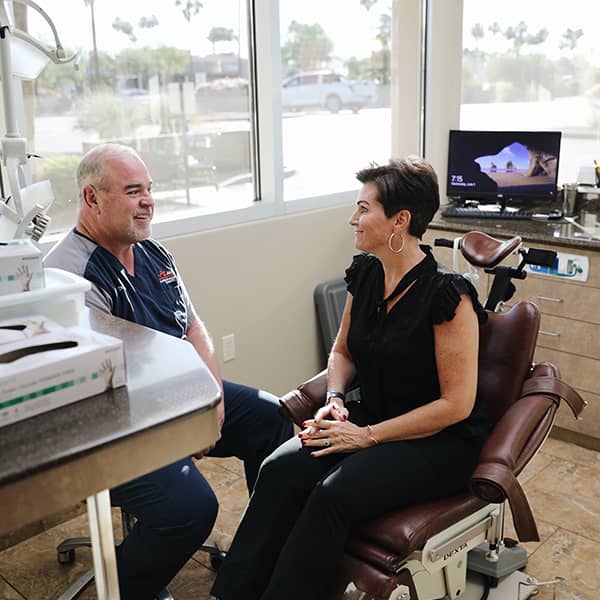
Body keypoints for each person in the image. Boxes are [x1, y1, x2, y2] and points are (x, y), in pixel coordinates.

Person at [210, 157, 491, 600]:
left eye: (363, 209)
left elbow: (455, 405)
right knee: (279, 469)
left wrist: (367, 436)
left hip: (437, 441)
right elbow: (342, 351)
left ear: (399, 220)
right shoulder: (366, 273)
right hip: (368, 414)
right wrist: (336, 398)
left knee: (332, 496)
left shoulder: (447, 296)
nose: (352, 220)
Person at [44, 143, 293, 600]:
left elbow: (193, 327)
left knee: (274, 419)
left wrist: (212, 398)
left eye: (150, 189)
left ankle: (256, 561)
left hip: (179, 397)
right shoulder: (69, 277)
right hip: (112, 427)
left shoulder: (154, 253)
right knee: (192, 507)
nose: (148, 201)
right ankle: (127, 589)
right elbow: (107, 386)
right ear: (92, 199)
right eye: (133, 191)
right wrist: (185, 424)